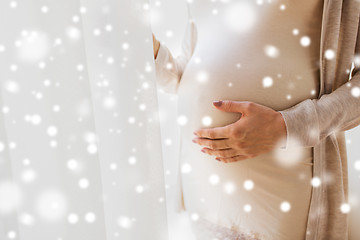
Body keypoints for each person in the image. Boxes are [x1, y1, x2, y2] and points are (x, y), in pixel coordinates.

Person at [152, 0, 360, 239]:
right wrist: (150, 51)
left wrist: (288, 126)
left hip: (279, 195)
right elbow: (188, 70)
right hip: (204, 188)